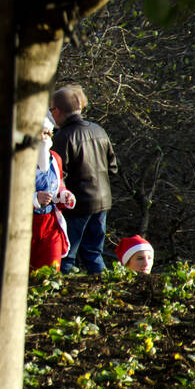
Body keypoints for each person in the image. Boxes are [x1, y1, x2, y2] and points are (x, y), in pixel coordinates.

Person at [50, 85, 119, 275]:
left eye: (51, 109)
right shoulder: (99, 130)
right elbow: (113, 168)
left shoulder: (63, 137)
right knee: (93, 254)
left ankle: (56, 296)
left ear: (58, 110)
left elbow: (56, 174)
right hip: (103, 201)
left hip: (77, 205)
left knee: (66, 255)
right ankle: (104, 294)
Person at [30, 111, 77, 269]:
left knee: (51, 272)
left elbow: (58, 185)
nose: (43, 138)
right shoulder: (17, 159)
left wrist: (65, 195)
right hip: (24, 225)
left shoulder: (55, 158)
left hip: (51, 225)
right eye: (38, 133)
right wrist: (34, 198)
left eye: (46, 133)